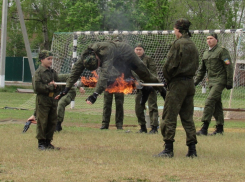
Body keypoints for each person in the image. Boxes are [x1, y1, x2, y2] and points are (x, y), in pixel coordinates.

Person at [57, 40, 166, 106]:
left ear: (97, 58)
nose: (99, 66)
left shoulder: (106, 51)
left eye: (99, 64)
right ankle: (145, 89)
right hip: (117, 60)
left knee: (145, 75)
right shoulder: (85, 56)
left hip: (126, 54)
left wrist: (95, 95)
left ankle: (162, 91)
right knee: (126, 79)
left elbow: (104, 74)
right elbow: (75, 71)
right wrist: (67, 88)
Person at [154, 18, 199, 158]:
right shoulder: (193, 44)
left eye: (174, 29)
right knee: (187, 117)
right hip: (190, 83)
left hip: (178, 84)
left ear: (178, 29)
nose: (174, 31)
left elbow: (169, 65)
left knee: (169, 116)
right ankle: (192, 150)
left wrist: (167, 79)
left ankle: (168, 149)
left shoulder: (178, 44)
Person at [194, 33, 233, 136]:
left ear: (216, 40)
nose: (209, 40)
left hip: (220, 81)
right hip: (211, 82)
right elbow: (201, 71)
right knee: (216, 104)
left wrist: (229, 82)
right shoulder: (206, 53)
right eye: (207, 39)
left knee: (210, 101)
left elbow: (228, 66)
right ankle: (219, 129)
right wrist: (195, 82)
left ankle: (204, 128)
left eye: (211, 38)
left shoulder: (222, 51)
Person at [33, 50, 60, 150]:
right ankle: (41, 143)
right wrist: (50, 87)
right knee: (42, 121)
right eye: (48, 59)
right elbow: (37, 87)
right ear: (42, 60)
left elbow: (58, 84)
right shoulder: (39, 73)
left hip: (52, 99)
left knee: (52, 121)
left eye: (51, 59)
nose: (50, 61)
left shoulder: (52, 72)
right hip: (43, 99)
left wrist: (56, 87)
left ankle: (48, 142)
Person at [134, 43, 159, 134]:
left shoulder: (148, 59)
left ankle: (154, 127)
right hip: (139, 87)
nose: (138, 51)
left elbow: (153, 73)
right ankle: (143, 127)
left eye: (140, 49)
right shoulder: (132, 60)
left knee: (152, 106)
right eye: (137, 49)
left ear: (143, 50)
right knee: (138, 107)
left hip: (149, 86)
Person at [101, 35, 124, 130]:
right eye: (115, 42)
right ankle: (105, 124)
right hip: (108, 82)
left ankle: (119, 125)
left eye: (119, 42)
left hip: (120, 83)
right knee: (107, 104)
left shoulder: (124, 55)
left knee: (119, 104)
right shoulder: (107, 55)